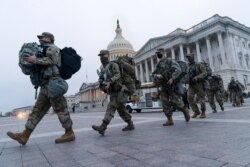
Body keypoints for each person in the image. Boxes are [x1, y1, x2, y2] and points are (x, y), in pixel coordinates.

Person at [7, 32, 75, 145]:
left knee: (61, 109)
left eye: (42, 37)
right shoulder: (41, 50)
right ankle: (25, 135)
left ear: (49, 38)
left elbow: (52, 61)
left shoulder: (53, 48)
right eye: (39, 37)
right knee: (36, 111)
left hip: (53, 83)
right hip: (45, 85)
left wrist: (35, 60)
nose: (40, 39)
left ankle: (69, 132)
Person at [92, 50, 134, 135]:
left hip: (119, 91)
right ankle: (130, 124)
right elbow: (102, 77)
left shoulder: (113, 64)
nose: (101, 57)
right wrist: (101, 80)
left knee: (111, 107)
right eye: (100, 56)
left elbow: (117, 74)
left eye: (102, 55)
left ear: (107, 55)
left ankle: (103, 127)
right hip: (112, 92)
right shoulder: (103, 68)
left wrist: (110, 81)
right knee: (122, 110)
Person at [152, 48, 190, 126]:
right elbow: (153, 74)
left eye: (159, 53)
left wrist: (172, 78)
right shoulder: (158, 64)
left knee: (176, 103)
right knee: (164, 103)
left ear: (163, 53)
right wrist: (157, 75)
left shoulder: (170, 61)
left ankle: (185, 110)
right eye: (157, 54)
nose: (158, 55)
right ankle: (170, 120)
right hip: (164, 86)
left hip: (172, 86)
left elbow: (178, 70)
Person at [185, 53, 207, 118]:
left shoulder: (199, 64)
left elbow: (205, 73)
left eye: (190, 57)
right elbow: (186, 75)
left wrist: (197, 77)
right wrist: (186, 80)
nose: (188, 59)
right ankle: (196, 111)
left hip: (199, 84)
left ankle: (203, 112)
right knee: (189, 97)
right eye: (188, 57)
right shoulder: (188, 66)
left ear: (193, 57)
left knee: (201, 99)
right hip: (191, 84)